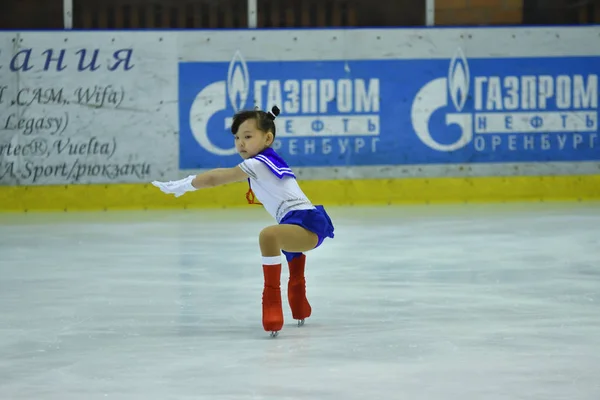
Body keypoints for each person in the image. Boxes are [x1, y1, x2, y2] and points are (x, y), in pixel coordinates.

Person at [151, 106, 335, 337]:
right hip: (296, 222)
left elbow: (215, 177)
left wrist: (185, 184)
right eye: (237, 138)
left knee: (269, 235)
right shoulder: (264, 162)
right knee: (284, 246)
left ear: (268, 138)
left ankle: (272, 304)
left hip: (306, 223)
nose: (240, 143)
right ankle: (300, 307)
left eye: (248, 137)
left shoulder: (257, 163)